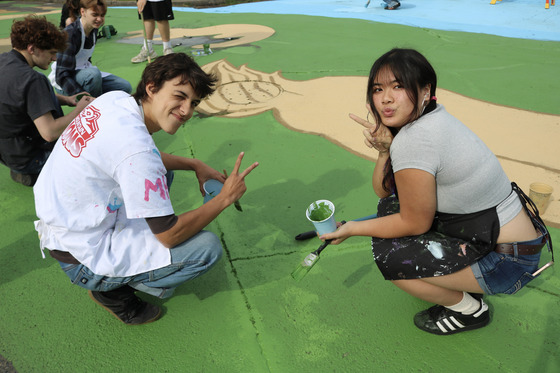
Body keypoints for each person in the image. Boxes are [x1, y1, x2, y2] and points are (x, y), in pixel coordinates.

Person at [322, 48, 553, 335]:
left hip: (505, 261)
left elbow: (414, 222)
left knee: (393, 260)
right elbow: (384, 194)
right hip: (510, 240)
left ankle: (471, 311)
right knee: (392, 208)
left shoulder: (415, 140)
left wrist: (353, 229)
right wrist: (384, 151)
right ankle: (463, 284)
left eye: (399, 86)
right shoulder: (431, 118)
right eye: (378, 89)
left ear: (425, 89)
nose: (386, 98)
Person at [34, 53, 259, 325]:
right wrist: (224, 198)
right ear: (152, 87)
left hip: (65, 224)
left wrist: (195, 164)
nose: (187, 110)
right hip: (81, 256)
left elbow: (138, 157)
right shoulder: (135, 150)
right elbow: (169, 235)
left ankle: (122, 265)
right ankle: (113, 292)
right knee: (206, 249)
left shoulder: (115, 100)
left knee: (164, 173)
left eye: (194, 103)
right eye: (179, 96)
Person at [0, 15, 93, 187]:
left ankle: (24, 168)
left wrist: (67, 99)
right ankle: (40, 169)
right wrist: (80, 110)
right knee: (92, 154)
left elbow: (22, 98)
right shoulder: (33, 79)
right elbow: (49, 132)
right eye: (51, 53)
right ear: (32, 49)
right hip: (31, 156)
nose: (54, 59)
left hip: (8, 153)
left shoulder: (4, 61)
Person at [49, 0, 132, 98]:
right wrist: (83, 96)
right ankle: (94, 108)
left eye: (102, 15)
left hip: (84, 74)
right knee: (93, 75)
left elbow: (86, 58)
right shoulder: (70, 34)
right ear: (82, 12)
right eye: (95, 15)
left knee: (124, 87)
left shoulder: (94, 30)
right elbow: (61, 75)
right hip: (64, 83)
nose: (99, 19)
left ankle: (99, 100)